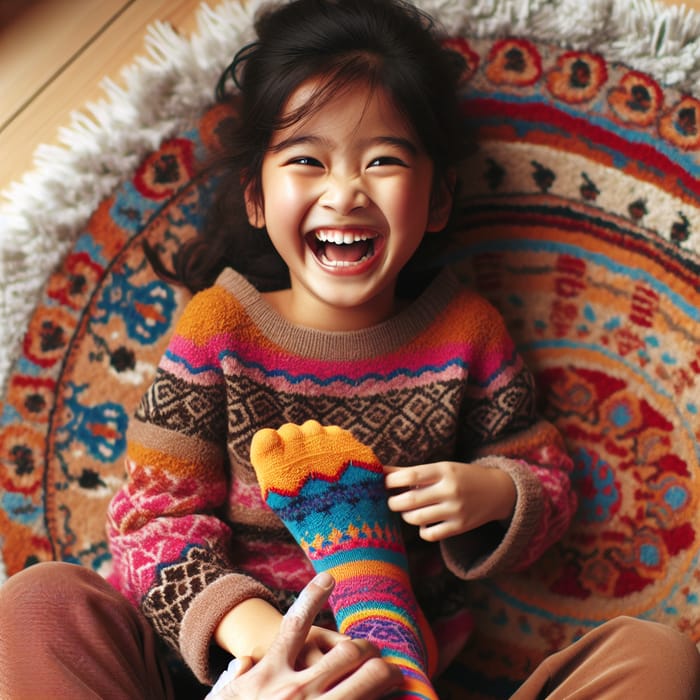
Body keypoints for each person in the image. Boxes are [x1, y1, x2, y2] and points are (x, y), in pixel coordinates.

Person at [1, 0, 699, 698]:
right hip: (238, 673)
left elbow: (543, 472)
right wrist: (271, 646)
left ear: (436, 202)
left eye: (384, 161)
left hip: (396, 674)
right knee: (40, 603)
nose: (345, 192)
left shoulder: (465, 332)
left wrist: (492, 493)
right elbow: (154, 522)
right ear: (255, 195)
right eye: (308, 160)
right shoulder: (219, 328)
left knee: (653, 657)